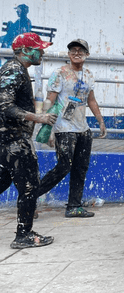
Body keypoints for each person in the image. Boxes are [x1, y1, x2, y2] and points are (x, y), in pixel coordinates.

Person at [37, 39, 107, 218]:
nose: (77, 53)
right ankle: (30, 197)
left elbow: (91, 100)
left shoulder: (89, 75)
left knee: (80, 168)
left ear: (87, 54)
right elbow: (50, 100)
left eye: (81, 50)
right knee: (63, 166)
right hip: (63, 127)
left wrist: (100, 120)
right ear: (68, 54)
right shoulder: (59, 73)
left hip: (82, 128)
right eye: (73, 50)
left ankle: (74, 206)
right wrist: (48, 126)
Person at [0, 33, 56, 248]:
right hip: (14, 141)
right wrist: (37, 117)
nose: (42, 51)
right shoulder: (14, 70)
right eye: (38, 48)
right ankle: (24, 235)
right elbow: (4, 105)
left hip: (8, 140)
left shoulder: (15, 69)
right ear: (24, 51)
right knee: (30, 187)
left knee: (3, 182)